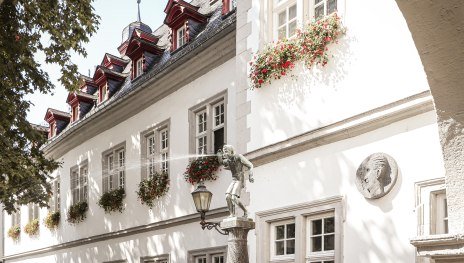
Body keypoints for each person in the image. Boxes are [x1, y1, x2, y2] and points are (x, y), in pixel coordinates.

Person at [217, 145, 254, 218]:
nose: (225, 152)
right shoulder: (228, 160)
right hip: (234, 179)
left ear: (231, 150)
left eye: (226, 150)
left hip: (240, 179)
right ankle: (232, 214)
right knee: (227, 196)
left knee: (234, 197)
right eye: (224, 151)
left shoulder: (238, 157)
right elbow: (221, 162)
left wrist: (250, 176)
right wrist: (219, 156)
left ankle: (246, 211)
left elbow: (250, 165)